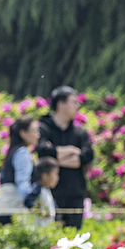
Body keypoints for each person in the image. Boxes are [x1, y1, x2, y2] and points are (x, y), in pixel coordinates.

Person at [36, 86, 94, 229]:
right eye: (73, 102)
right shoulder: (44, 129)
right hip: (50, 193)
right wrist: (72, 151)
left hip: (75, 193)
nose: (77, 106)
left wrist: (55, 156)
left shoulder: (80, 133)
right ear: (60, 104)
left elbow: (87, 155)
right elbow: (42, 151)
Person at [0, 116, 40, 225]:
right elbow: (22, 183)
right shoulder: (23, 152)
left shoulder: (13, 151)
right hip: (14, 209)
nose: (38, 135)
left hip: (4, 206)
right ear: (23, 133)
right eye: (35, 131)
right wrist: (31, 204)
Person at [25, 157, 60, 228]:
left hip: (47, 226)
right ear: (45, 176)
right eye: (55, 174)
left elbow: (53, 205)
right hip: (38, 227)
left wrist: (58, 218)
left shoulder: (47, 189)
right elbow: (28, 200)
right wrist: (40, 210)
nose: (58, 178)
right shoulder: (38, 188)